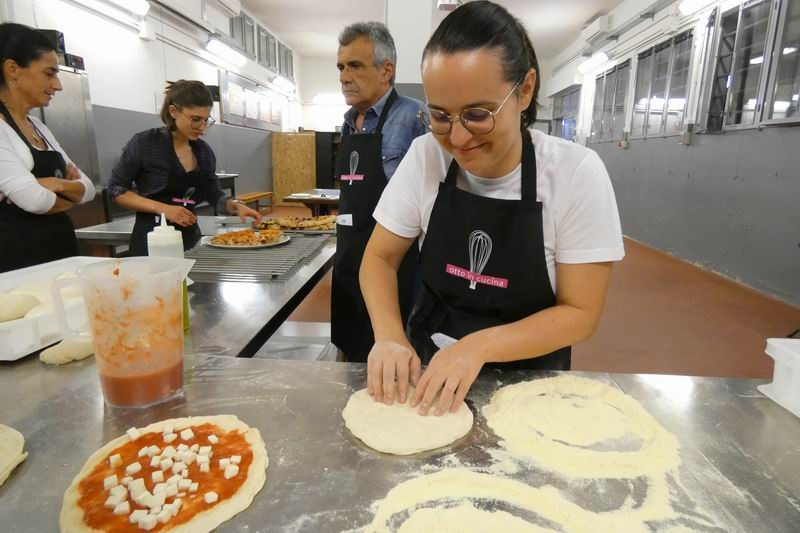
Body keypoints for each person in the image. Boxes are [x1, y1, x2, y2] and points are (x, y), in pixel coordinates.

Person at [360, 1, 625, 416]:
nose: (458, 138)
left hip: (531, 383)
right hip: (430, 373)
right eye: (440, 116)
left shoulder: (574, 173)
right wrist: (390, 335)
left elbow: (581, 312)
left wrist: (479, 347)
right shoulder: (426, 156)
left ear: (525, 89)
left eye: (478, 114)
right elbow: (379, 258)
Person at [332, 21, 427, 363]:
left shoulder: (414, 118)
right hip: (349, 256)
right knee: (351, 354)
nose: (344, 77)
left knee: (396, 361)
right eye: (341, 67)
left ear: (386, 71)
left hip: (397, 266)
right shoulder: (348, 122)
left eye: (355, 66)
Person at [108, 80, 260, 255]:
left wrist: (234, 205)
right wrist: (164, 209)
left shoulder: (204, 152)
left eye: (206, 120)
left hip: (190, 240)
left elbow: (213, 193)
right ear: (174, 111)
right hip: (150, 242)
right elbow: (116, 190)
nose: (201, 127)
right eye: (195, 119)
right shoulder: (145, 144)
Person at [0, 23, 96, 273]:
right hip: (18, 262)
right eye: (49, 73)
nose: (58, 85)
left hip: (61, 250)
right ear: (13, 69)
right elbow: (35, 201)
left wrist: (56, 184)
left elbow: (88, 189)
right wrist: (70, 194)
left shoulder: (39, 126)